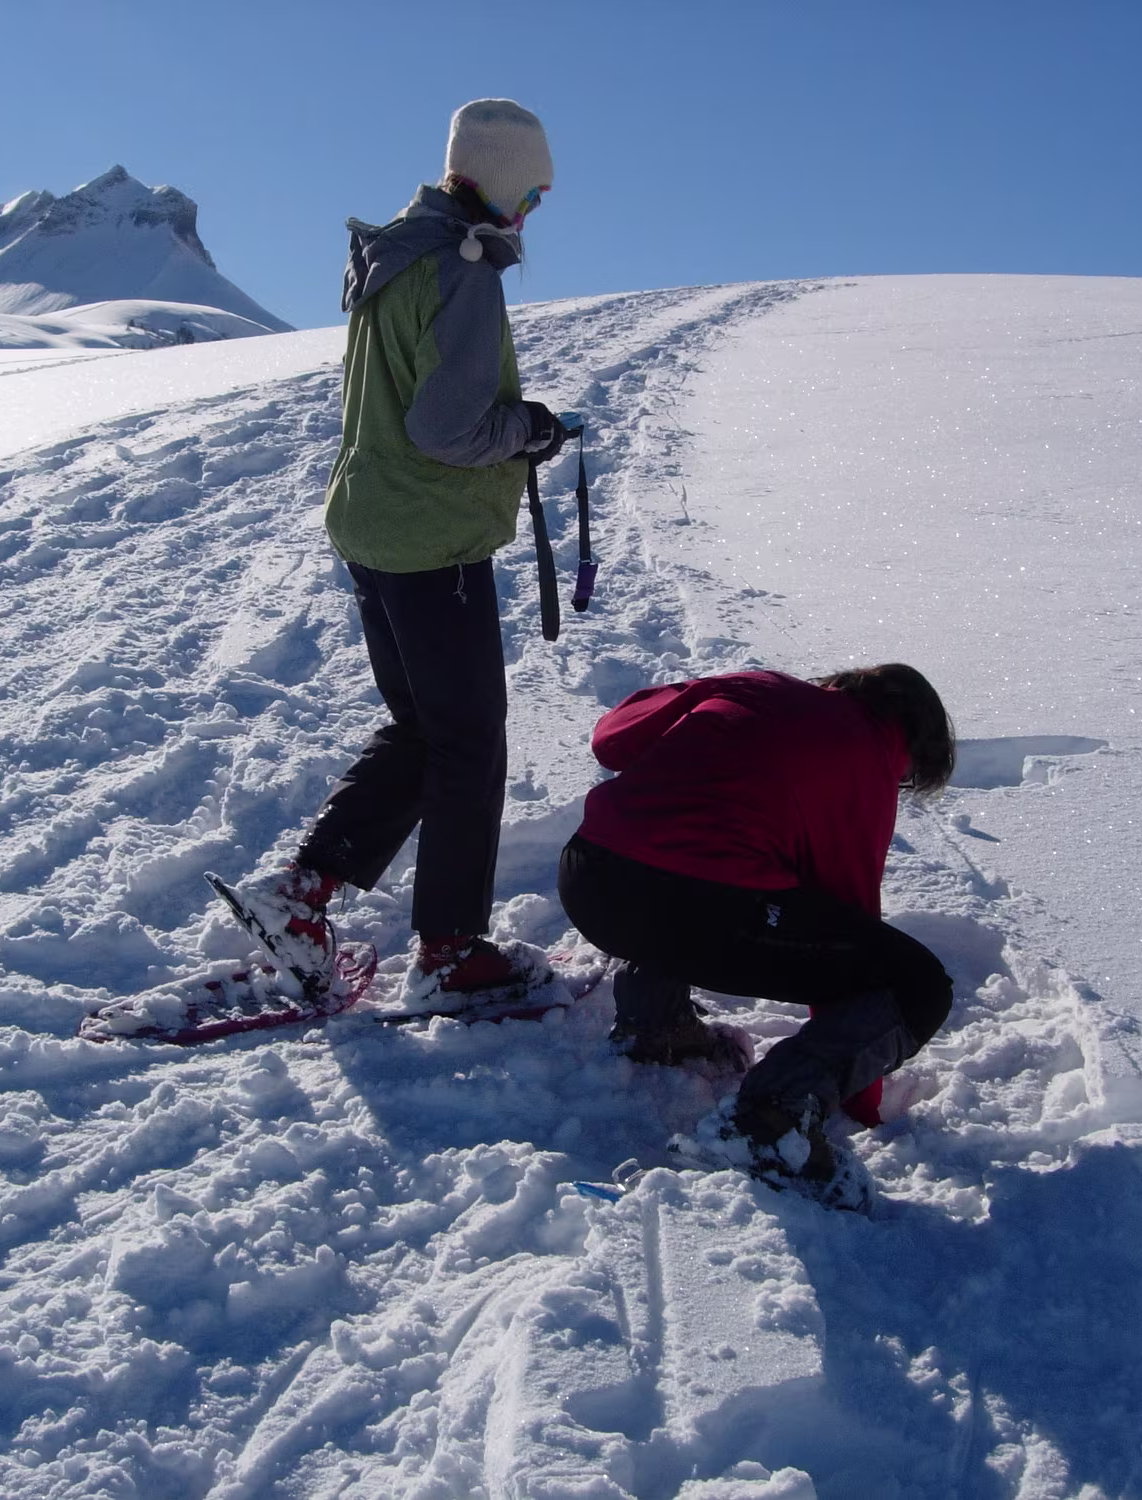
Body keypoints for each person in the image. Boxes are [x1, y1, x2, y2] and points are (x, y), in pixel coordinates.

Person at [228, 100, 568, 998]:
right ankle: (452, 952)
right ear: (500, 178)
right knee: (469, 741)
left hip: (373, 524)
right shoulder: (461, 270)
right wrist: (530, 429)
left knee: (427, 726)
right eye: (532, 192)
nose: (532, 211)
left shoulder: (395, 254)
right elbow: (447, 428)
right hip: (431, 536)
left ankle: (301, 895)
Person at [556, 664, 958, 1186]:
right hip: (691, 906)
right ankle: (772, 1116)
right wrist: (858, 1098)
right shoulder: (867, 757)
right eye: (907, 774)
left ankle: (656, 1023)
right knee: (918, 985)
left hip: (590, 879)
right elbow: (849, 914)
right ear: (908, 739)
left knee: (703, 855)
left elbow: (612, 740)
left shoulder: (757, 685)